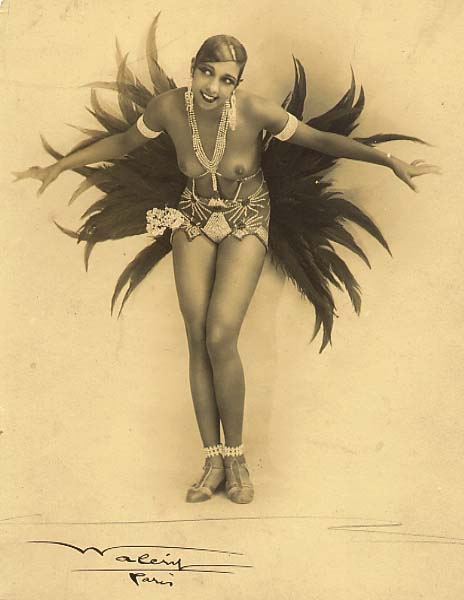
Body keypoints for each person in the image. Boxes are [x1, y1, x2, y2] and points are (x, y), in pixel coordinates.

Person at [13, 32, 440, 505]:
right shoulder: (168, 108)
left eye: (227, 79)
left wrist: (389, 160)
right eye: (206, 73)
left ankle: (237, 460)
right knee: (196, 336)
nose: (213, 87)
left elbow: (319, 139)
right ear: (192, 69)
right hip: (193, 216)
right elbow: (124, 142)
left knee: (220, 335)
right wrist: (60, 166)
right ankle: (212, 462)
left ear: (238, 84)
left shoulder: (255, 111)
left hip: (247, 216)